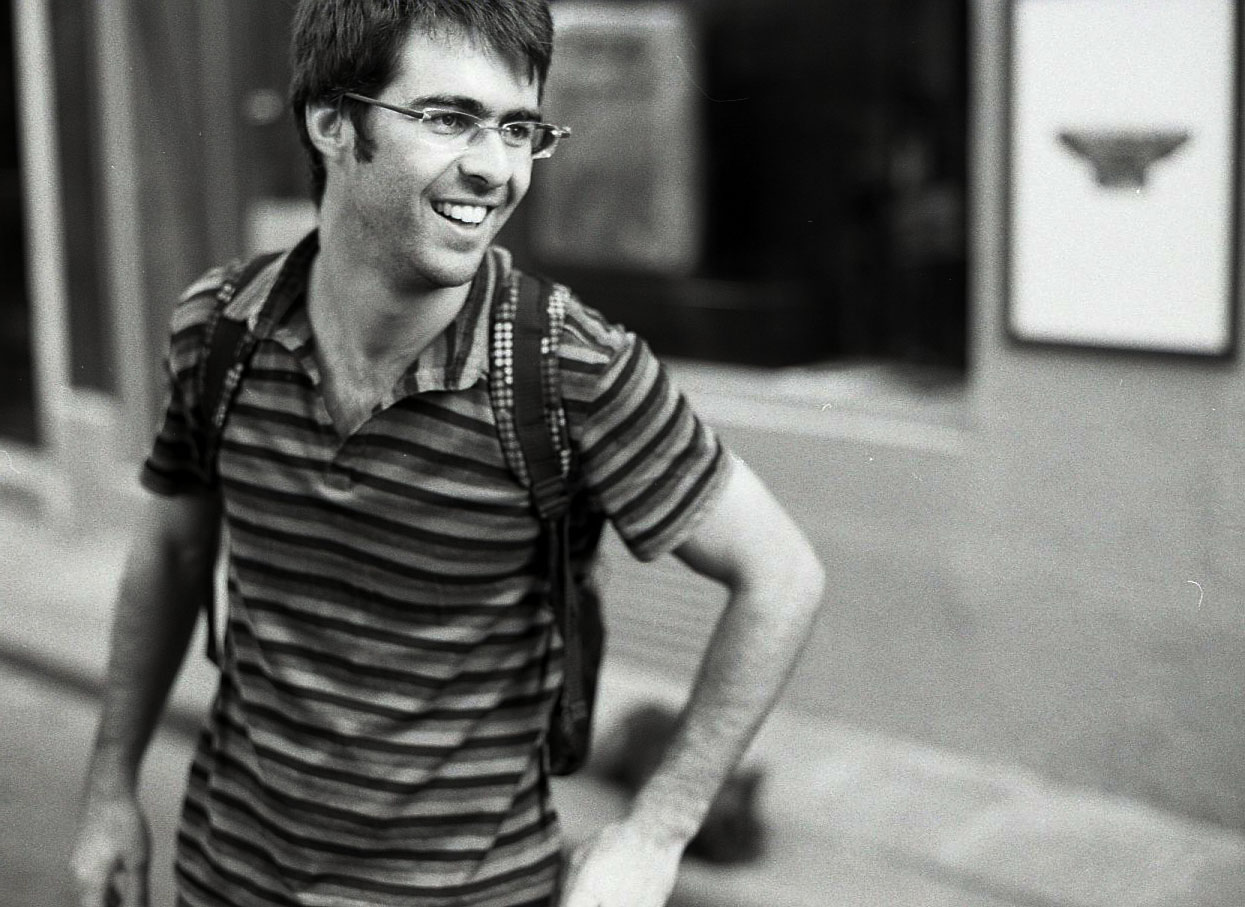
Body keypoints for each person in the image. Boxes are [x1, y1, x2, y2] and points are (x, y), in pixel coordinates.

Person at [71, 2, 825, 905]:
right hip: (225, 877)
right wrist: (110, 787)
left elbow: (781, 575)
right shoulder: (219, 328)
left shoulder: (566, 366)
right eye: (448, 117)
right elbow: (171, 551)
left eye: (518, 128)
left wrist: (656, 830)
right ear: (332, 121)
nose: (495, 168)